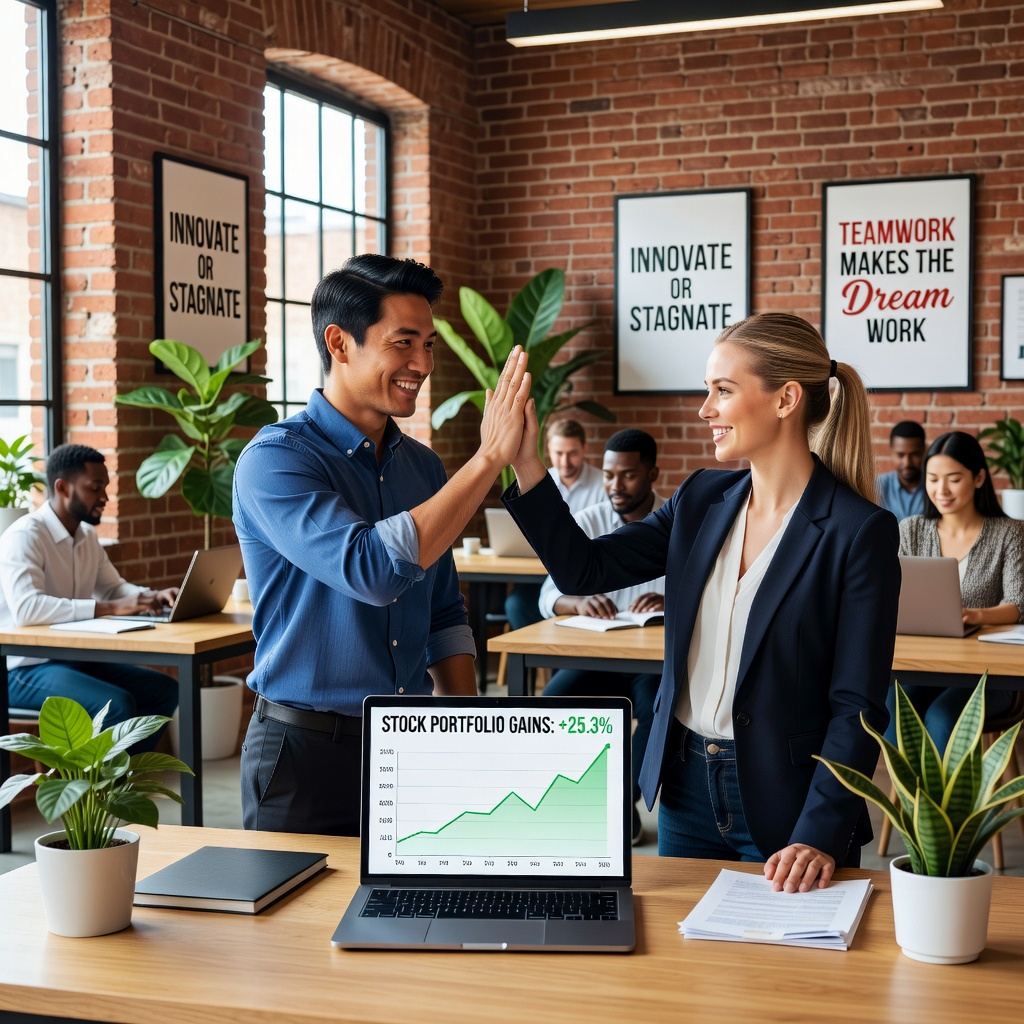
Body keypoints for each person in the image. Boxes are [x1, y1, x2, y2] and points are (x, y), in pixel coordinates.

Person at [504, 312, 900, 893]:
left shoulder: (857, 530)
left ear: (787, 398)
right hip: (685, 787)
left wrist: (819, 830)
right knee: (679, 975)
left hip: (789, 807)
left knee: (786, 981)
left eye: (723, 390)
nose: (704, 409)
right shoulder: (700, 500)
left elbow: (857, 708)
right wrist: (524, 460)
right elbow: (582, 568)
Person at [232, 254, 531, 836]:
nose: (421, 363)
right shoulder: (275, 460)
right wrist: (491, 457)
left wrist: (462, 735)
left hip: (411, 748)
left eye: (429, 344)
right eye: (403, 343)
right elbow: (370, 568)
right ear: (339, 343)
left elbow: (444, 610)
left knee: (414, 922)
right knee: (295, 929)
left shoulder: (423, 468)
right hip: (304, 753)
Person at [0, 444, 179, 750]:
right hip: (21, 668)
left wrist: (152, 597)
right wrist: (110, 607)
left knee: (163, 689)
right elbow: (28, 610)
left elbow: (113, 588)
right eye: (95, 488)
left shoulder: (87, 536)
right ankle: (91, 795)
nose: (105, 498)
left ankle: (120, 787)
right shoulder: (25, 536)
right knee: (117, 704)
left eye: (105, 488)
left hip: (73, 659)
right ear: (62, 487)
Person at [538, 428, 666, 847]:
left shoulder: (678, 524)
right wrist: (576, 603)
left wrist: (670, 603)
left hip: (651, 665)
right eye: (609, 475)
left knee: (661, 714)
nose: (615, 485)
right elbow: (547, 595)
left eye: (627, 476)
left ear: (652, 474)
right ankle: (563, 804)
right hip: (596, 657)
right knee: (549, 707)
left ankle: (618, 805)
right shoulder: (588, 519)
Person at [888, 431, 1020, 751]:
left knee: (941, 718)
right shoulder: (911, 529)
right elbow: (894, 594)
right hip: (925, 664)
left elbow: (1019, 603)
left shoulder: (1009, 533)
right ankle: (913, 800)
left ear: (978, 479)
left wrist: (977, 615)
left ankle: (944, 802)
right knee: (891, 708)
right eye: (932, 479)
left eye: (953, 479)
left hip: (990, 674)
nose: (941, 490)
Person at [504, 418, 606, 632]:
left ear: (584, 449)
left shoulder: (605, 485)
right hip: (543, 576)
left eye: (572, 453)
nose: (565, 461)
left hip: (584, 581)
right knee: (516, 604)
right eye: (559, 453)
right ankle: (541, 661)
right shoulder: (536, 484)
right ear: (548, 449)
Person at [876, 421, 926, 520]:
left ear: (924, 451)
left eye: (915, 454)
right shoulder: (877, 487)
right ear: (891, 452)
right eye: (900, 455)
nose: (907, 462)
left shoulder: (936, 488)